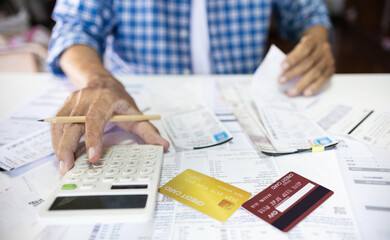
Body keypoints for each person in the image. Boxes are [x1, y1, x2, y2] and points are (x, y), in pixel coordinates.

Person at [47, 0, 335, 175]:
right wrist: (99, 82)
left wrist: (316, 40)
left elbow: (308, 12)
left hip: (246, 114)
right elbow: (74, 28)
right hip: (137, 110)